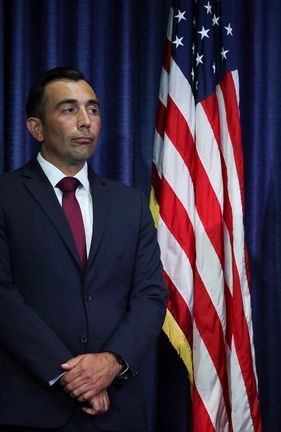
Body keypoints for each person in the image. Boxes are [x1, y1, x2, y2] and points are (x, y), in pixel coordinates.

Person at [0, 66, 168, 431]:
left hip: (117, 411)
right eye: (68, 109)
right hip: (32, 406)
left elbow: (150, 296)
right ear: (36, 128)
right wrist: (71, 375)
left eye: (92, 109)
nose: (85, 121)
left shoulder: (130, 203)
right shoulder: (6, 196)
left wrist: (110, 363)